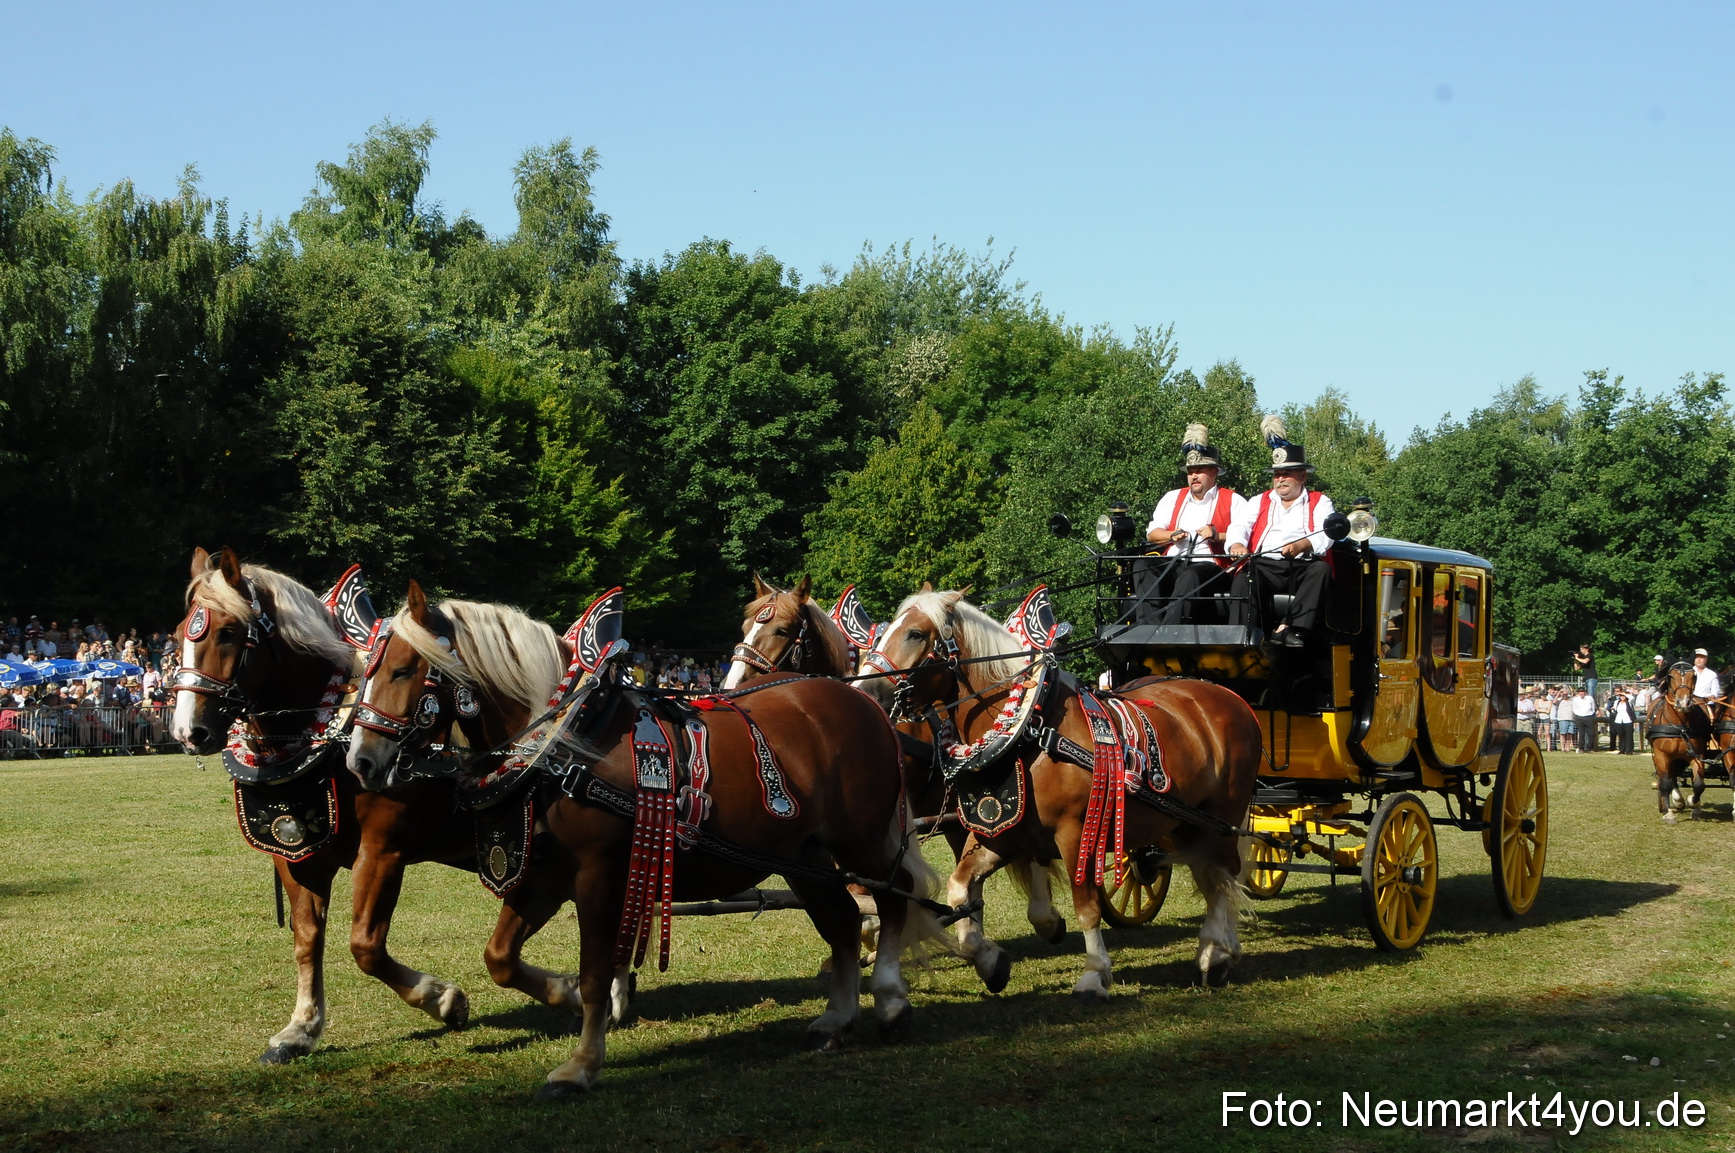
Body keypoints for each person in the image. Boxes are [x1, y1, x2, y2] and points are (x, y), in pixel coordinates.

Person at [1228, 416, 1336, 647]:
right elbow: (1239, 526)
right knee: (1244, 576)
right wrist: (1237, 544)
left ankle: (1290, 628)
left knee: (1321, 569)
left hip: (1301, 565)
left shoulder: (1320, 501)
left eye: (1286, 474)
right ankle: (1241, 636)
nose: (1280, 480)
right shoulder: (1259, 500)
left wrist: (1301, 546)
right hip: (1265, 565)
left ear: (1302, 476)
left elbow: (1325, 533)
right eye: (1277, 475)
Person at [1135, 423, 1249, 625]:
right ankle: (1149, 628)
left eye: (1199, 471)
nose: (1193, 476)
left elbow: (1246, 538)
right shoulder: (1172, 498)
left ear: (1214, 472)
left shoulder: (1234, 500)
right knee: (1142, 564)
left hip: (1212, 566)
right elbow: (1152, 534)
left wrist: (1216, 535)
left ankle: (1172, 630)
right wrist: (1171, 535)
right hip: (1173, 561)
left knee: (1191, 574)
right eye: (1190, 472)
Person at [1571, 686, 1598, 752]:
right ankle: (1581, 748)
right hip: (1580, 717)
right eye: (1580, 692)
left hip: (1589, 717)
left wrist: (1591, 714)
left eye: (1582, 692)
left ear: (1585, 692)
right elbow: (1574, 708)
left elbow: (1593, 707)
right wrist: (1578, 716)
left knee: (1591, 733)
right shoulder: (1575, 699)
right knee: (1581, 734)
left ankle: (1589, 747)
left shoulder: (1590, 698)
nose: (1581, 693)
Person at [1608, 689, 1634, 755]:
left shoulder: (1629, 702)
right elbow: (1614, 709)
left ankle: (1629, 751)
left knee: (1629, 736)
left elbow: (1632, 697)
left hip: (1628, 720)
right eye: (1621, 696)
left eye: (1623, 696)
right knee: (1621, 736)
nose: (1622, 697)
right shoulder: (1617, 702)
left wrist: (1624, 693)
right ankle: (1622, 749)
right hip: (1618, 720)